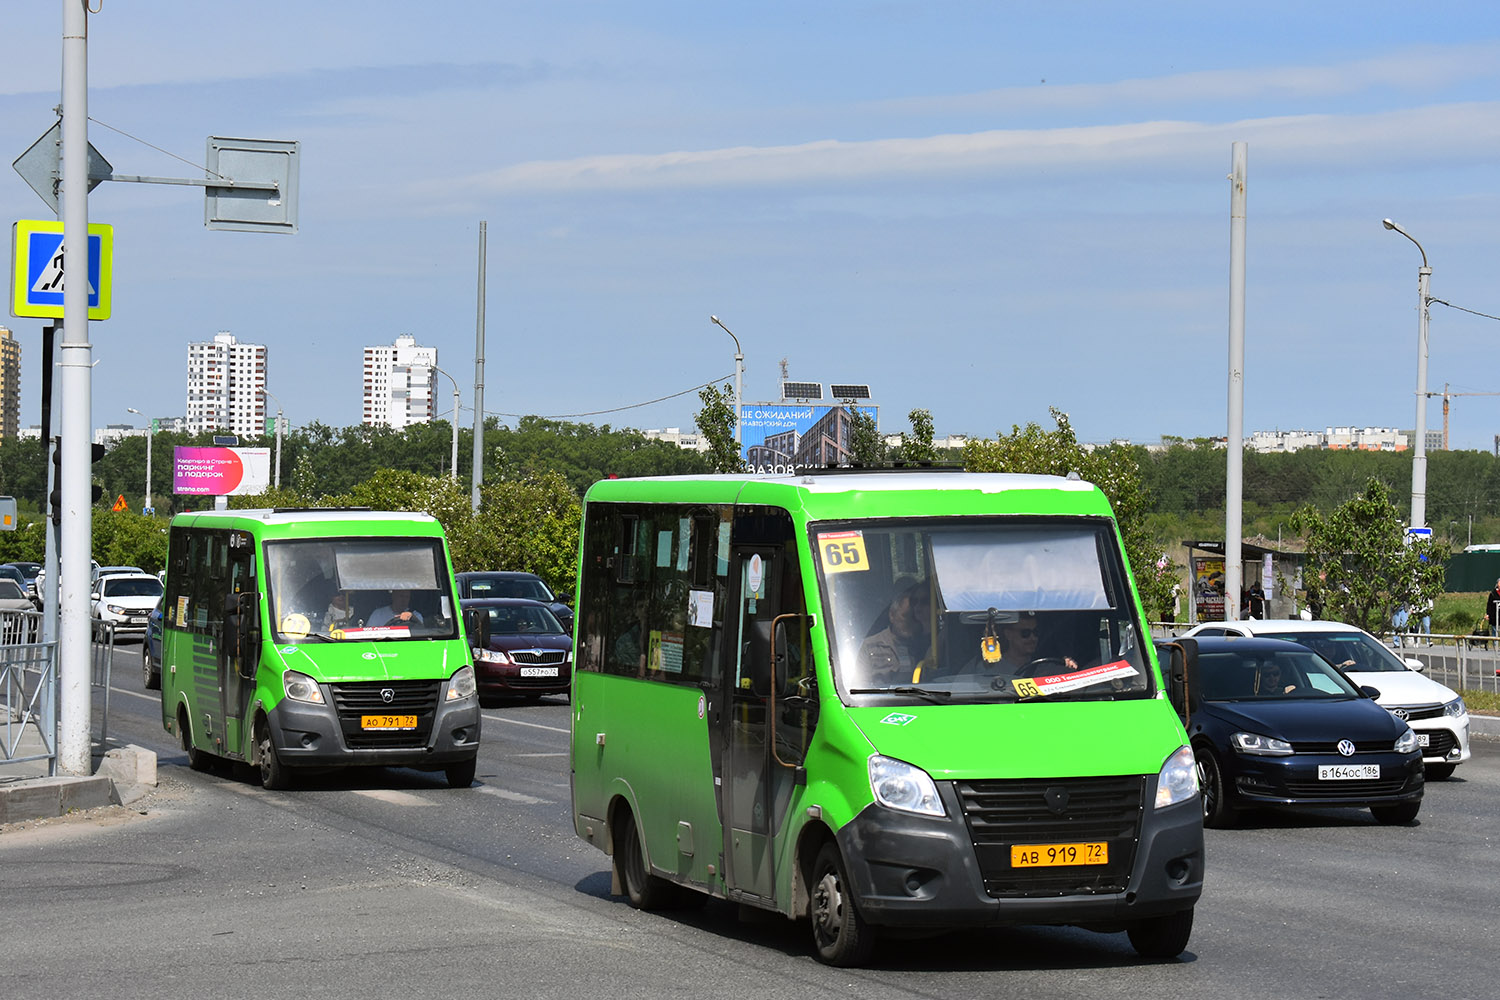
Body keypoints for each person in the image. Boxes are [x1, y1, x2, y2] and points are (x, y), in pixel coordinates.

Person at [858, 583, 932, 685]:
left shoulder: (924, 644)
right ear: (892, 615)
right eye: (905, 616)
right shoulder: (872, 645)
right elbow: (859, 685)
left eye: (913, 617)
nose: (910, 622)